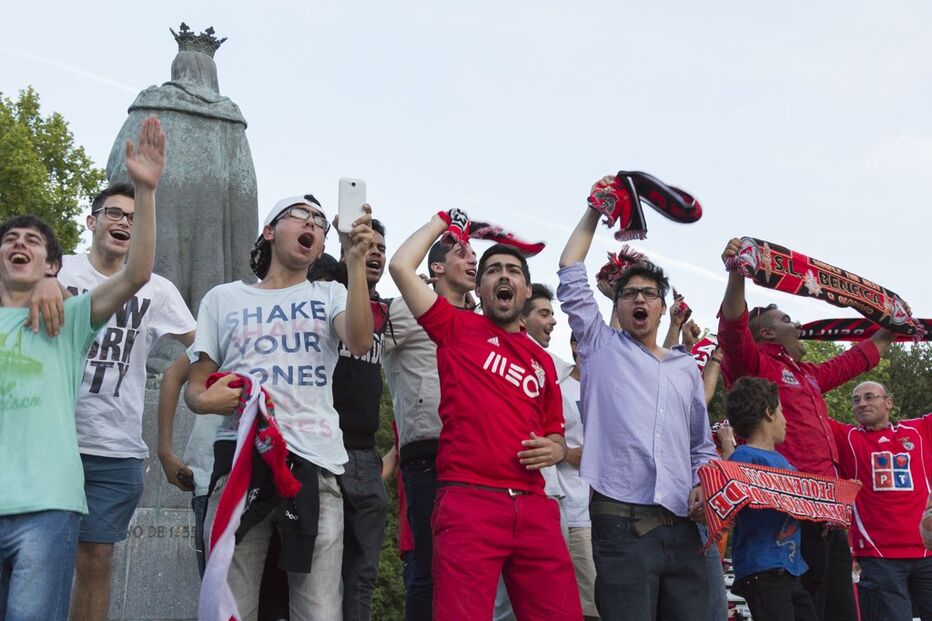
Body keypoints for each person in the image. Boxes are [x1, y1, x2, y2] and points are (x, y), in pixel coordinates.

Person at [0, 115, 164, 620]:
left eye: (34, 240)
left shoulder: (67, 318)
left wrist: (145, 188)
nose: (20, 243)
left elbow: (138, 273)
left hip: (47, 504)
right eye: (11, 238)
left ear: (54, 265)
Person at [184, 194, 374, 620]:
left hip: (314, 466)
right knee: (228, 607)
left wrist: (356, 261)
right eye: (301, 216)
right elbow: (195, 388)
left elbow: (360, 341)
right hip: (239, 465)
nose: (313, 224)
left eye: (321, 223)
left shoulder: (331, 293)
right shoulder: (222, 299)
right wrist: (204, 400)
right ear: (269, 231)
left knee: (320, 612)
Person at [389, 210, 580, 620]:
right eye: (493, 270)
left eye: (514, 270)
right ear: (481, 286)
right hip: (467, 501)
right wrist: (444, 221)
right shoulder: (455, 326)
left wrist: (555, 448)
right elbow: (401, 266)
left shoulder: (543, 363)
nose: (504, 276)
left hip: (534, 506)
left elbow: (556, 434)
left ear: (526, 290)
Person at [557, 176, 718, 621]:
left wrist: (703, 484)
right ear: (619, 305)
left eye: (649, 293)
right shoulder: (599, 346)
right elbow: (570, 269)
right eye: (630, 294)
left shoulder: (686, 367)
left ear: (663, 307)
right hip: (620, 520)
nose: (640, 299)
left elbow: (701, 446)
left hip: (683, 523)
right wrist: (595, 208)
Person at [718, 237, 896, 621]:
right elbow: (732, 328)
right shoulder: (755, 364)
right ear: (766, 334)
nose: (797, 325)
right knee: (808, 610)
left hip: (830, 512)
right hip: (793, 513)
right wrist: (737, 273)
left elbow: (858, 358)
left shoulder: (810, 374)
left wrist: (894, 323)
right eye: (786, 320)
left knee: (842, 611)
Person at [47, 182, 196, 621]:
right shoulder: (57, 272)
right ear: (92, 221)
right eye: (114, 213)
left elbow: (205, 345)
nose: (123, 223)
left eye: (133, 218)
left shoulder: (157, 289)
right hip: (51, 441)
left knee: (96, 563)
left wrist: (187, 381)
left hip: (115, 448)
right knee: (35, 560)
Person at [381, 236, 477, 620]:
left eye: (474, 255)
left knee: (469, 569)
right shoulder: (406, 310)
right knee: (428, 567)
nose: (473, 260)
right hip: (428, 456)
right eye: (461, 253)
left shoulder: (479, 323)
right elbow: (361, 345)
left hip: (475, 456)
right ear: (436, 268)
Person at [827, 381, 932, 620]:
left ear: (888, 403)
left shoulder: (919, 431)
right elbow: (805, 411)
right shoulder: (849, 439)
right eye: (856, 400)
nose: (861, 403)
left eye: (869, 397)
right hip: (879, 558)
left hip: (928, 551)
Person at [330, 219, 390, 621]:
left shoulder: (387, 310)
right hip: (322, 449)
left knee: (363, 574)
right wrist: (343, 239)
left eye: (382, 248)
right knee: (317, 571)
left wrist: (394, 454)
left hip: (366, 456)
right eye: (368, 245)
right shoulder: (324, 295)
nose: (376, 253)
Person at [725, 376, 817, 621]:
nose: (786, 421)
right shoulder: (743, 458)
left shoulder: (786, 464)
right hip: (762, 568)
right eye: (783, 412)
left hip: (791, 569)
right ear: (769, 413)